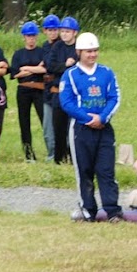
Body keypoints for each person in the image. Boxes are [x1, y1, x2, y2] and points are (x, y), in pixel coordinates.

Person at [58, 32, 123, 223]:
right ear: (79, 52)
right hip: (81, 130)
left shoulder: (107, 72)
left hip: (104, 128)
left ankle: (112, 211)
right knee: (84, 171)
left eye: (95, 51)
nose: (92, 55)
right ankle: (87, 209)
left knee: (106, 171)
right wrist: (87, 118)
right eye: (88, 51)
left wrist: (102, 118)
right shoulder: (70, 75)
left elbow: (115, 97)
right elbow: (66, 102)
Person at [9, 21, 47, 160]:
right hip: (23, 89)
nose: (31, 39)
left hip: (39, 89)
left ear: (37, 36)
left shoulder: (42, 52)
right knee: (24, 121)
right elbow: (15, 74)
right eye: (28, 36)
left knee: (45, 119)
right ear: (24, 37)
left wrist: (26, 68)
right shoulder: (18, 54)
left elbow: (44, 70)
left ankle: (51, 149)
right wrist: (34, 69)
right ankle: (28, 153)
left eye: (33, 36)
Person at [47, 16, 79, 164]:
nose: (64, 34)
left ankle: (74, 158)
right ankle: (58, 159)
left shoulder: (79, 49)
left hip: (75, 94)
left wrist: (67, 67)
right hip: (59, 92)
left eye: (67, 31)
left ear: (75, 33)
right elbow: (50, 66)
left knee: (73, 128)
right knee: (58, 128)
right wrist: (65, 65)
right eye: (62, 31)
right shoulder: (57, 47)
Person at [40, 14, 60, 161]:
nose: (53, 32)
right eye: (50, 29)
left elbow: (48, 66)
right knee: (47, 128)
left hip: (58, 87)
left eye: (55, 29)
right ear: (44, 31)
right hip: (47, 88)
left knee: (60, 125)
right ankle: (51, 154)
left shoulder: (61, 45)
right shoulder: (45, 46)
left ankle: (60, 154)